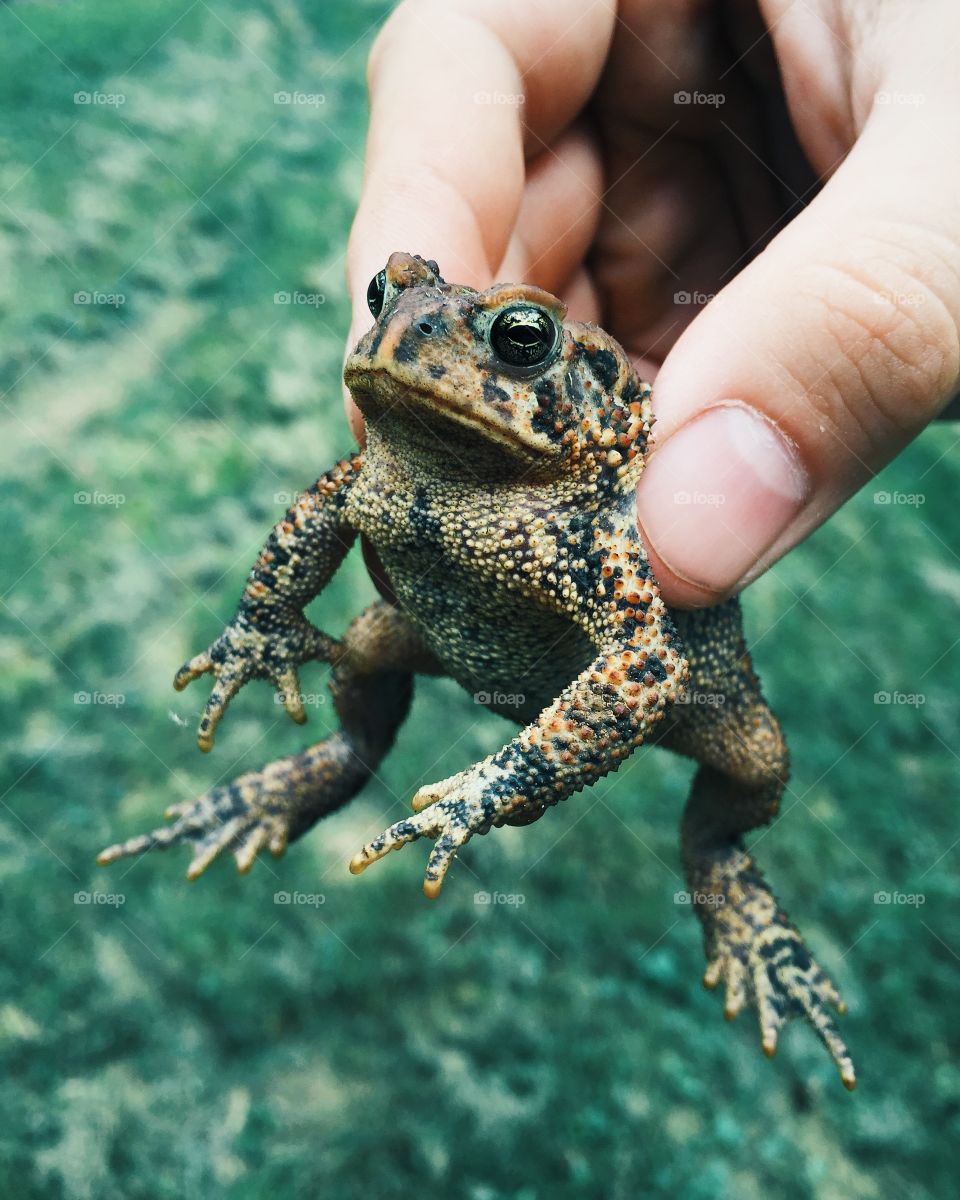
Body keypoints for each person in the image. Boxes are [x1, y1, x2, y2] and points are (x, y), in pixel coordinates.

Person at [343, 0, 959, 609]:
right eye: (383, 300)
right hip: (449, 612)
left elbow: (645, 663)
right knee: (372, 650)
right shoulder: (386, 479)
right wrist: (266, 623)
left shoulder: (596, 532)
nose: (404, 333)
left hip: (668, 697)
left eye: (519, 339)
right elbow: (319, 515)